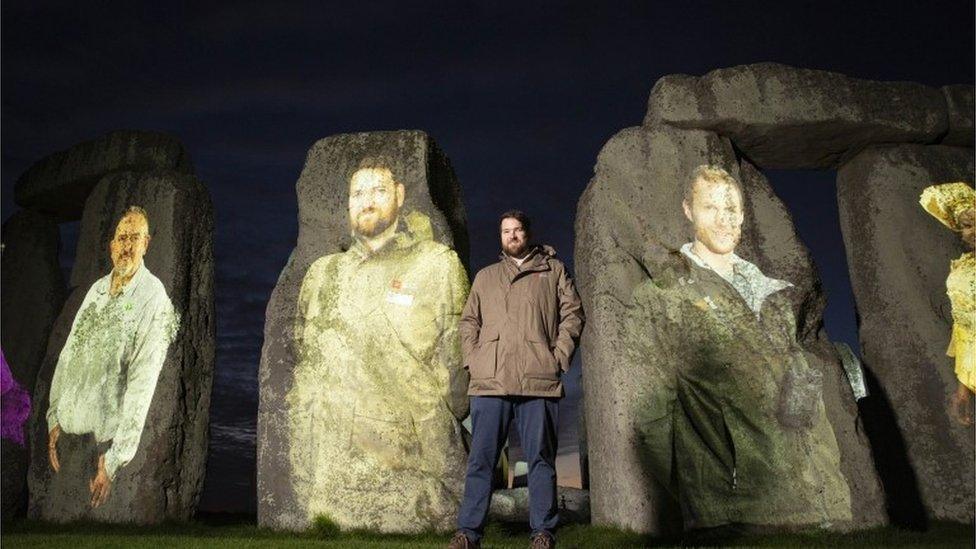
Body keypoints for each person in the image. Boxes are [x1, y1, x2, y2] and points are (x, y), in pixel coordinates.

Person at [626, 165, 852, 532]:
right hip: (731, 511)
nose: (723, 220)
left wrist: (826, 477)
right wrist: (696, 492)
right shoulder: (663, 298)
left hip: (814, 504)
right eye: (710, 207)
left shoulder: (774, 295)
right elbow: (650, 410)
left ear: (744, 215)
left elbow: (803, 397)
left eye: (731, 209)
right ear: (688, 210)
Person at [288, 158, 470, 532]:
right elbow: (305, 362)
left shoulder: (436, 264)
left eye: (378, 191)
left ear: (401, 196)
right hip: (332, 469)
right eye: (358, 193)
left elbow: (458, 366)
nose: (366, 201)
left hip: (415, 461)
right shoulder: (323, 274)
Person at [449, 210, 584, 549]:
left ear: (527, 233)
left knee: (540, 459)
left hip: (538, 379)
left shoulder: (554, 271)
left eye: (517, 230)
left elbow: (573, 314)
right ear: (501, 237)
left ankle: (542, 532)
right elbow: (469, 322)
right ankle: (468, 533)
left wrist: (558, 357)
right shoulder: (485, 277)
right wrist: (474, 360)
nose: (511, 236)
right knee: (481, 460)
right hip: (490, 382)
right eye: (505, 231)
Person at [47, 206, 178, 508]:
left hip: (105, 451)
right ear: (112, 245)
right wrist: (53, 415)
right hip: (68, 438)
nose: (127, 246)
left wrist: (115, 458)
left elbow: (142, 384)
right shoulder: (95, 291)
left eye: (135, 238)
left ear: (146, 244)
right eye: (122, 237)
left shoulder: (153, 298)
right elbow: (70, 353)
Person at [919, 182, 975, 426]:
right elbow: (966, 330)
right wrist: (962, 391)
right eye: (967, 225)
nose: (974, 230)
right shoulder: (964, 268)